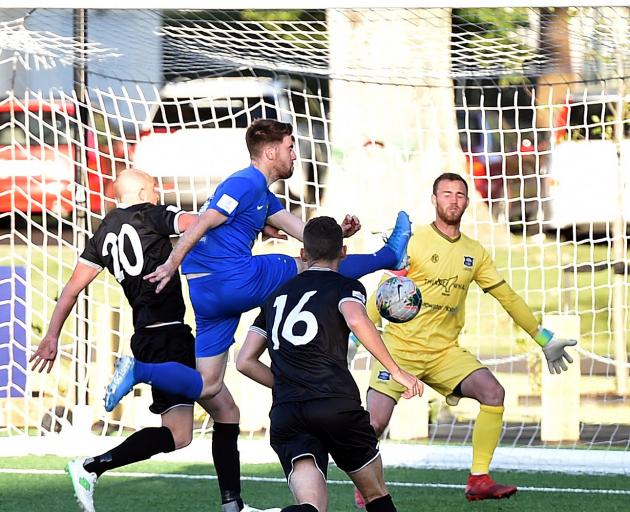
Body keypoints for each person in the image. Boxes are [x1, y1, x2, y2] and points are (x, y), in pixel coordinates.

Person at [102, 119, 412, 506]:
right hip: (229, 278)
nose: (294, 153)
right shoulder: (244, 182)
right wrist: (170, 263)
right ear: (270, 152)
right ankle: (390, 255)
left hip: (208, 295)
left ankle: (140, 371)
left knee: (210, 384)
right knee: (311, 271)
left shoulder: (263, 194)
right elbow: (203, 222)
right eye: (289, 147)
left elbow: (305, 235)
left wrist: (338, 236)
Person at [29, 169, 277, 512]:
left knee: (222, 413)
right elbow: (203, 221)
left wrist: (52, 336)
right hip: (168, 335)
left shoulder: (103, 232)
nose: (159, 195)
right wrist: (252, 219)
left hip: (147, 334)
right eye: (156, 189)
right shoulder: (152, 214)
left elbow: (72, 288)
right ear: (145, 190)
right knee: (183, 431)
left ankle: (233, 505)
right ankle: (91, 466)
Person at [356, 172, 578, 505]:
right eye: (446, 194)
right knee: (373, 423)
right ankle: (366, 483)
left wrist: (543, 337)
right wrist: (354, 339)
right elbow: (384, 295)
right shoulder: (413, 242)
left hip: (445, 354)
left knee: (493, 392)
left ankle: (479, 479)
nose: (454, 200)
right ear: (434, 200)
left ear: (467, 202)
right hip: (399, 351)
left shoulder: (474, 252)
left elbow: (506, 295)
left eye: (460, 194)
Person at [236, 216, 424, 512]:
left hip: (288, 412)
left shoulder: (274, 297)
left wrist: (287, 382)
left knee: (312, 507)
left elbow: (244, 361)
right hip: (335, 404)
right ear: (344, 253)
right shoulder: (347, 287)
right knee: (376, 495)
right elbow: (355, 318)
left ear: (302, 254)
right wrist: (397, 372)